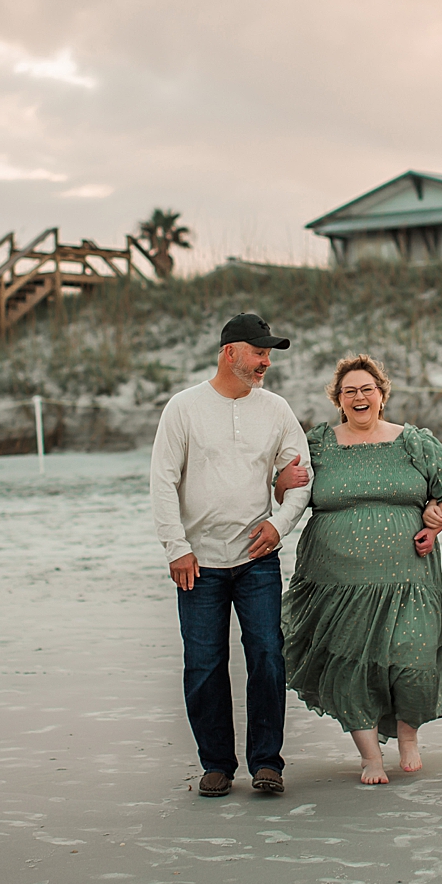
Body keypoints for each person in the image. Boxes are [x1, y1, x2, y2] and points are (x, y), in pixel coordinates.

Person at [281, 354, 442, 785]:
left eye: (368, 389)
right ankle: (369, 757)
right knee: (352, 665)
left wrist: (440, 520)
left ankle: (408, 737)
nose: (359, 396)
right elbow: (285, 487)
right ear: (339, 400)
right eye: (350, 391)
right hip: (335, 582)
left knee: (412, 659)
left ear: (382, 396)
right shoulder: (318, 445)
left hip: (408, 578)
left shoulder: (412, 442)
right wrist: (279, 485)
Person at [150, 313, 312, 798]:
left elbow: (300, 478)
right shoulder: (184, 408)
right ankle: (216, 763)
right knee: (203, 663)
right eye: (259, 352)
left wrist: (278, 524)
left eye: (269, 354)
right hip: (197, 562)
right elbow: (163, 481)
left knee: (267, 655)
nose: (266, 362)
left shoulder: (276, 409)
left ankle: (267, 763)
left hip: (256, 558)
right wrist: (176, 547)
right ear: (230, 353)